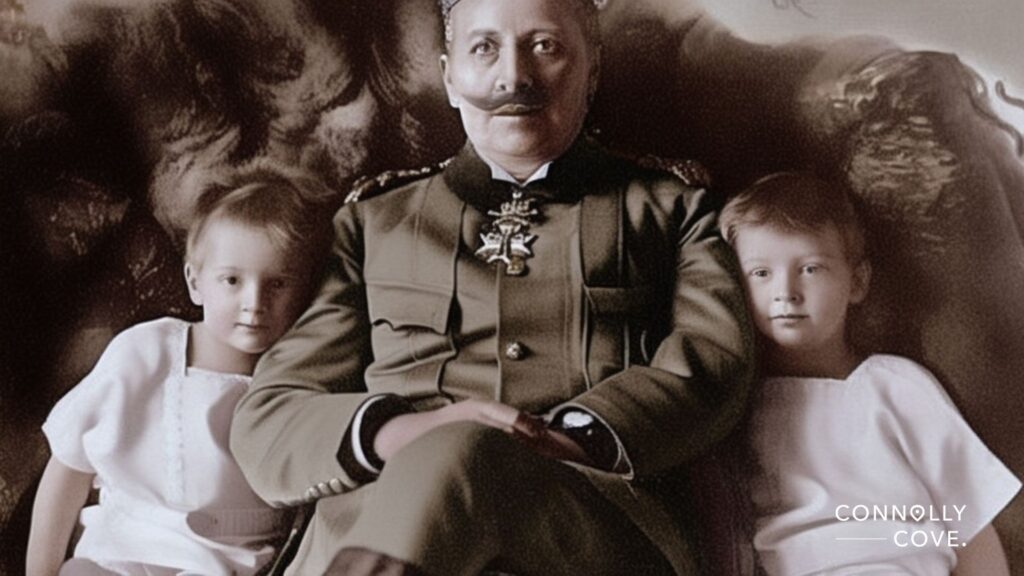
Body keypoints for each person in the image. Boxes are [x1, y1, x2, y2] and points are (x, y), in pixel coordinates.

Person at [229, 0, 754, 575]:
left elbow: (715, 361)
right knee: (456, 448)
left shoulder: (668, 209)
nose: (514, 77)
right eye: (484, 49)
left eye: (546, 47)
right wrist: (411, 431)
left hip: (586, 523)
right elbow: (270, 417)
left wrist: (573, 437)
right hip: (380, 523)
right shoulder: (373, 223)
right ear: (450, 77)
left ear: (592, 70)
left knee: (470, 451)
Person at [26, 161, 332, 576]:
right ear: (195, 281)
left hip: (226, 562)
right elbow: (68, 466)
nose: (254, 303)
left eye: (277, 283)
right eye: (232, 280)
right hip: (122, 548)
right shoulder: (147, 352)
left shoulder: (298, 373)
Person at [718, 171, 1022, 576]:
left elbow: (971, 530)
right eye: (761, 273)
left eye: (810, 268)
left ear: (857, 281)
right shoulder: (735, 406)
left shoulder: (897, 387)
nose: (785, 291)